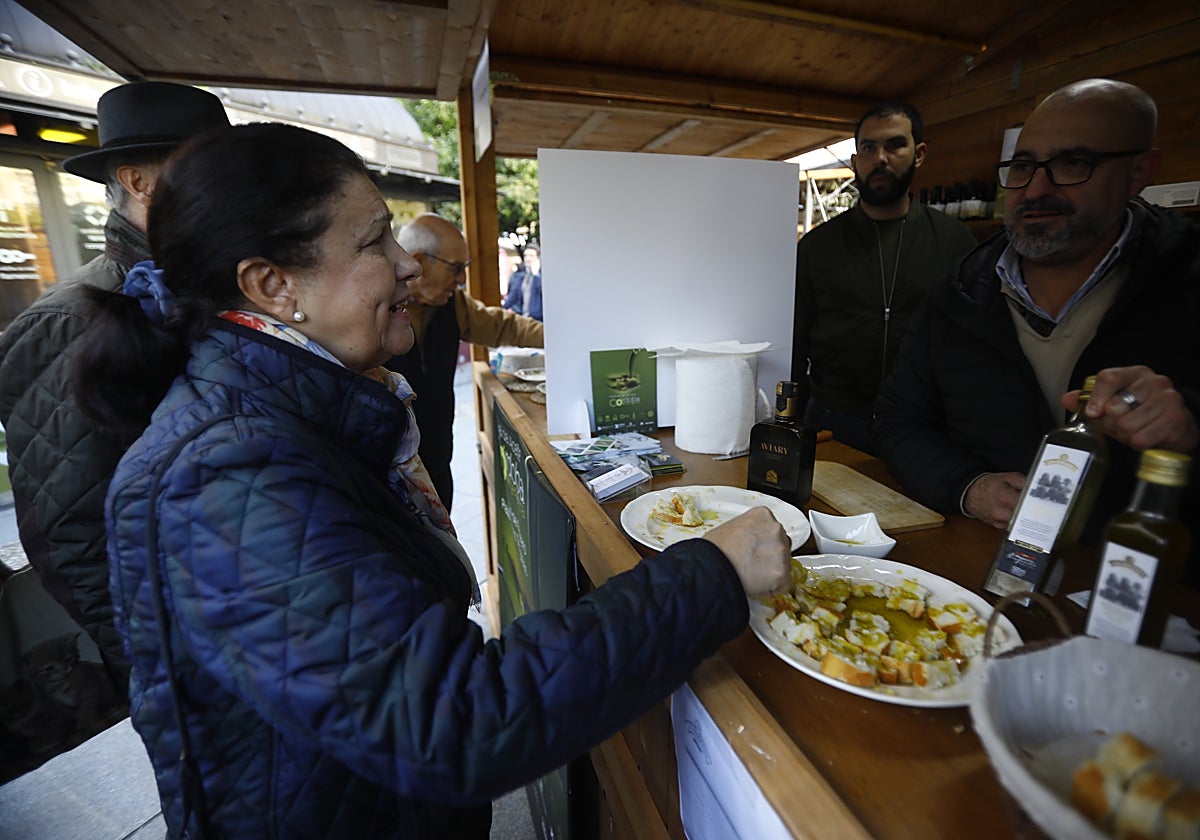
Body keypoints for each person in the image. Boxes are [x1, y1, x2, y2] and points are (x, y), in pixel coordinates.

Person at [74, 122, 791, 838]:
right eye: (375, 243)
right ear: (273, 286)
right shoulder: (229, 471)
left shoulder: (292, 413)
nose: (408, 268)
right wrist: (711, 575)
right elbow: (453, 721)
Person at [872, 79, 1199, 580]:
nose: (1037, 190)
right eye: (1023, 167)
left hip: (1146, 591)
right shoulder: (958, 295)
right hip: (979, 564)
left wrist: (1190, 421)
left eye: (1072, 163)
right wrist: (969, 487)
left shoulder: (1186, 281)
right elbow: (898, 420)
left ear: (1139, 172)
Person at [0, 81, 230, 696]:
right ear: (139, 181)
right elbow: (70, 534)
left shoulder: (215, 284)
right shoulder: (66, 322)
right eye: (209, 168)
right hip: (189, 653)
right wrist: (153, 670)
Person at [791, 102, 976, 453]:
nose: (880, 158)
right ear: (854, 160)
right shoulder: (818, 245)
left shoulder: (955, 242)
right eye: (868, 147)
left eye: (894, 145)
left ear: (919, 154)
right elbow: (797, 341)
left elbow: (970, 342)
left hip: (924, 425)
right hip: (834, 420)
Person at [385, 215, 542, 511]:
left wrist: (564, 337)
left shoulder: (452, 305)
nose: (461, 280)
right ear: (419, 261)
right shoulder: (374, 312)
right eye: (456, 269)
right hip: (388, 476)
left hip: (438, 460)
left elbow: (505, 326)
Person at [503, 243, 543, 321]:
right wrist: (502, 309)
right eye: (525, 255)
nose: (527, 259)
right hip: (525, 317)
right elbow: (513, 295)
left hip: (539, 319)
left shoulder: (541, 275)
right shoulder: (521, 276)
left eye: (531, 256)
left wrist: (536, 274)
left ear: (538, 258)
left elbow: (545, 293)